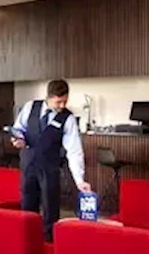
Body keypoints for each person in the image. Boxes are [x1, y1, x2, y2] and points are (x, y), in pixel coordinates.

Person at [10, 79, 90, 241]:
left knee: (50, 206)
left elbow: (74, 151)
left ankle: (49, 243)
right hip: (28, 163)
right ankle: (26, 240)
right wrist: (17, 139)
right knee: (27, 203)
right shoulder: (30, 107)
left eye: (65, 101)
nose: (62, 105)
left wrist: (79, 180)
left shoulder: (67, 118)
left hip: (50, 167)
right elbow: (18, 128)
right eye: (58, 102)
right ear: (49, 97)